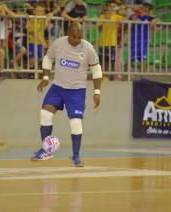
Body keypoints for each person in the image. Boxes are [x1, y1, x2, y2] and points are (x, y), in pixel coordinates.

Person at [30, 22, 102, 167]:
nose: (77, 39)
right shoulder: (58, 44)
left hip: (77, 91)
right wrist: (45, 78)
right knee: (45, 113)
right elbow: (48, 58)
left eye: (79, 37)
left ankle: (75, 157)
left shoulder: (88, 48)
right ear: (68, 34)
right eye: (74, 37)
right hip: (58, 87)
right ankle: (46, 150)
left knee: (75, 122)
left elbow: (96, 70)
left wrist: (97, 92)